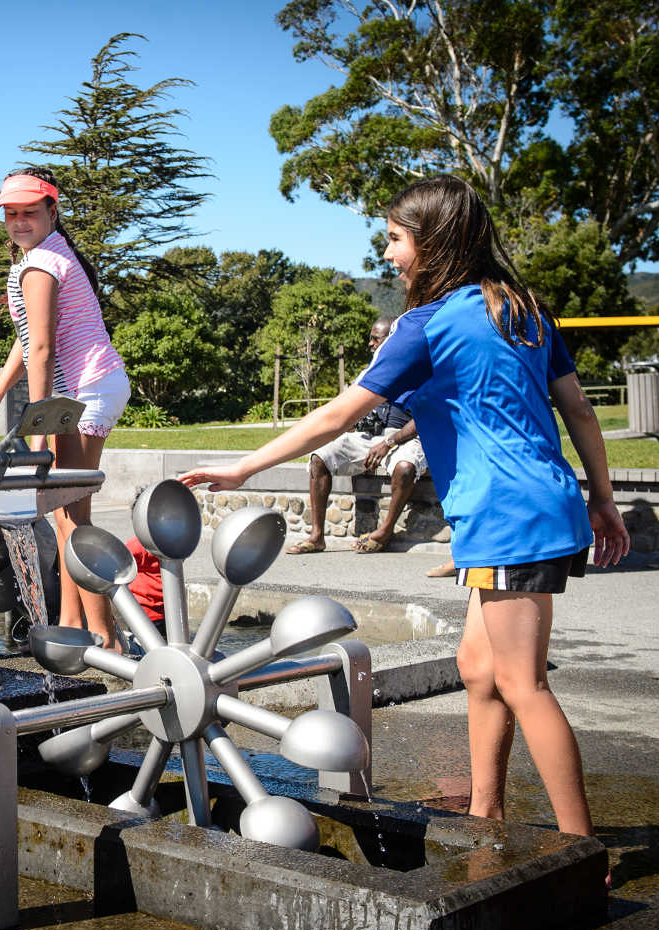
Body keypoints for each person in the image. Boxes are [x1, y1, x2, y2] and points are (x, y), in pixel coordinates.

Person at [178, 176, 629, 864]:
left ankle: (581, 850)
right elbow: (581, 410)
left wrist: (243, 468)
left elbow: (337, 415)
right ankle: (486, 810)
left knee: (521, 682)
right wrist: (601, 497)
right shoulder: (523, 309)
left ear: (433, 241)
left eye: (394, 238)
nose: (388, 253)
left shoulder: (428, 324)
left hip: (507, 513)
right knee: (480, 669)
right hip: (541, 503)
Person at [0, 168, 131, 652]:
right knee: (66, 514)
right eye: (11, 214)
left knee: (70, 516)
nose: (19, 222)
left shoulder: (39, 265)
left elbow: (41, 348)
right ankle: (69, 625)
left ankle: (107, 639)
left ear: (52, 212)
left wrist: (38, 428)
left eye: (29, 212)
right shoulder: (46, 257)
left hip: (83, 393)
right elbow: (30, 340)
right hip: (88, 389)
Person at [287, 316, 428, 555]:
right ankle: (317, 536)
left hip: (401, 437)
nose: (370, 344)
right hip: (365, 437)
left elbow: (425, 418)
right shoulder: (370, 371)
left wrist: (388, 442)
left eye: (375, 339)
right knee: (319, 458)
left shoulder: (419, 371)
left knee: (405, 467)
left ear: (393, 341)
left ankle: (384, 532)